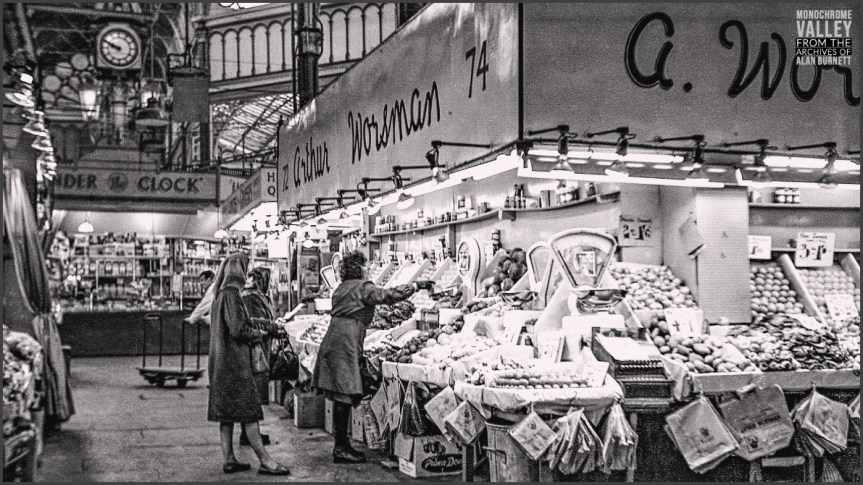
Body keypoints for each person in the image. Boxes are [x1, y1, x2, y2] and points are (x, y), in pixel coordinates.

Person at [312, 251, 434, 464]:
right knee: (344, 394)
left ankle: (342, 444)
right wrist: (415, 286)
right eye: (365, 265)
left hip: (335, 338)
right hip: (346, 342)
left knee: (343, 393)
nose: (367, 268)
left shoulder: (341, 288)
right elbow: (387, 296)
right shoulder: (362, 287)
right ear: (358, 268)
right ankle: (341, 448)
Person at [207, 253, 290, 476]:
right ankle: (266, 461)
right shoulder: (232, 295)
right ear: (240, 271)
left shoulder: (219, 295)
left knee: (226, 415)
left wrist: (264, 326)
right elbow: (239, 329)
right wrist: (259, 334)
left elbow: (240, 322)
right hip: (235, 364)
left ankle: (229, 459)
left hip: (220, 363)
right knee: (249, 412)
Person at [239, 267, 279, 446]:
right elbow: (254, 322)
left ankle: (250, 434)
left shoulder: (258, 296)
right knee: (252, 393)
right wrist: (274, 327)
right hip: (255, 349)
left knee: (254, 393)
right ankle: (248, 435)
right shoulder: (251, 297)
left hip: (261, 348)